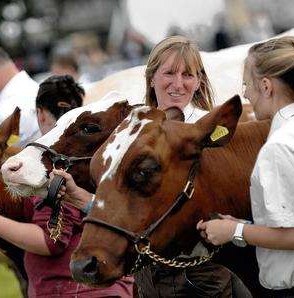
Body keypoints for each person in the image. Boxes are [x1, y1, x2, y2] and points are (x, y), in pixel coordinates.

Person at [56, 36, 251, 297]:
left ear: (199, 81)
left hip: (201, 275)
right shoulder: (131, 131)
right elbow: (132, 204)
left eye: (188, 75)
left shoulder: (209, 133)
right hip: (148, 275)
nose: (178, 84)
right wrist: (83, 199)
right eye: (169, 73)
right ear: (151, 77)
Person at [0, 75, 133, 297]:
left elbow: (51, 241)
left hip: (74, 290)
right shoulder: (90, 152)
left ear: (40, 113)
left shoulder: (51, 162)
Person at [197, 36, 294, 297]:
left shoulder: (281, 146)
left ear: (265, 86)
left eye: (246, 83)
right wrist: (243, 226)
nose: (245, 93)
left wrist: (234, 230)